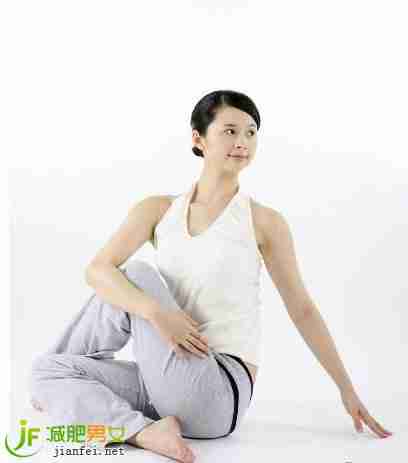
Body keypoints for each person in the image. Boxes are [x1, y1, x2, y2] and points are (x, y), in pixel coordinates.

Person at [29, 90, 392, 463]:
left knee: (135, 273)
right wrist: (157, 314)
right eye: (230, 131)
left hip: (217, 391)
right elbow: (96, 270)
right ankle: (141, 431)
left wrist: (346, 389)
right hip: (163, 385)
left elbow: (302, 309)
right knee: (44, 371)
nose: (242, 142)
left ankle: (76, 398)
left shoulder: (263, 221)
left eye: (251, 132)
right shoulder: (157, 210)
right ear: (198, 138)